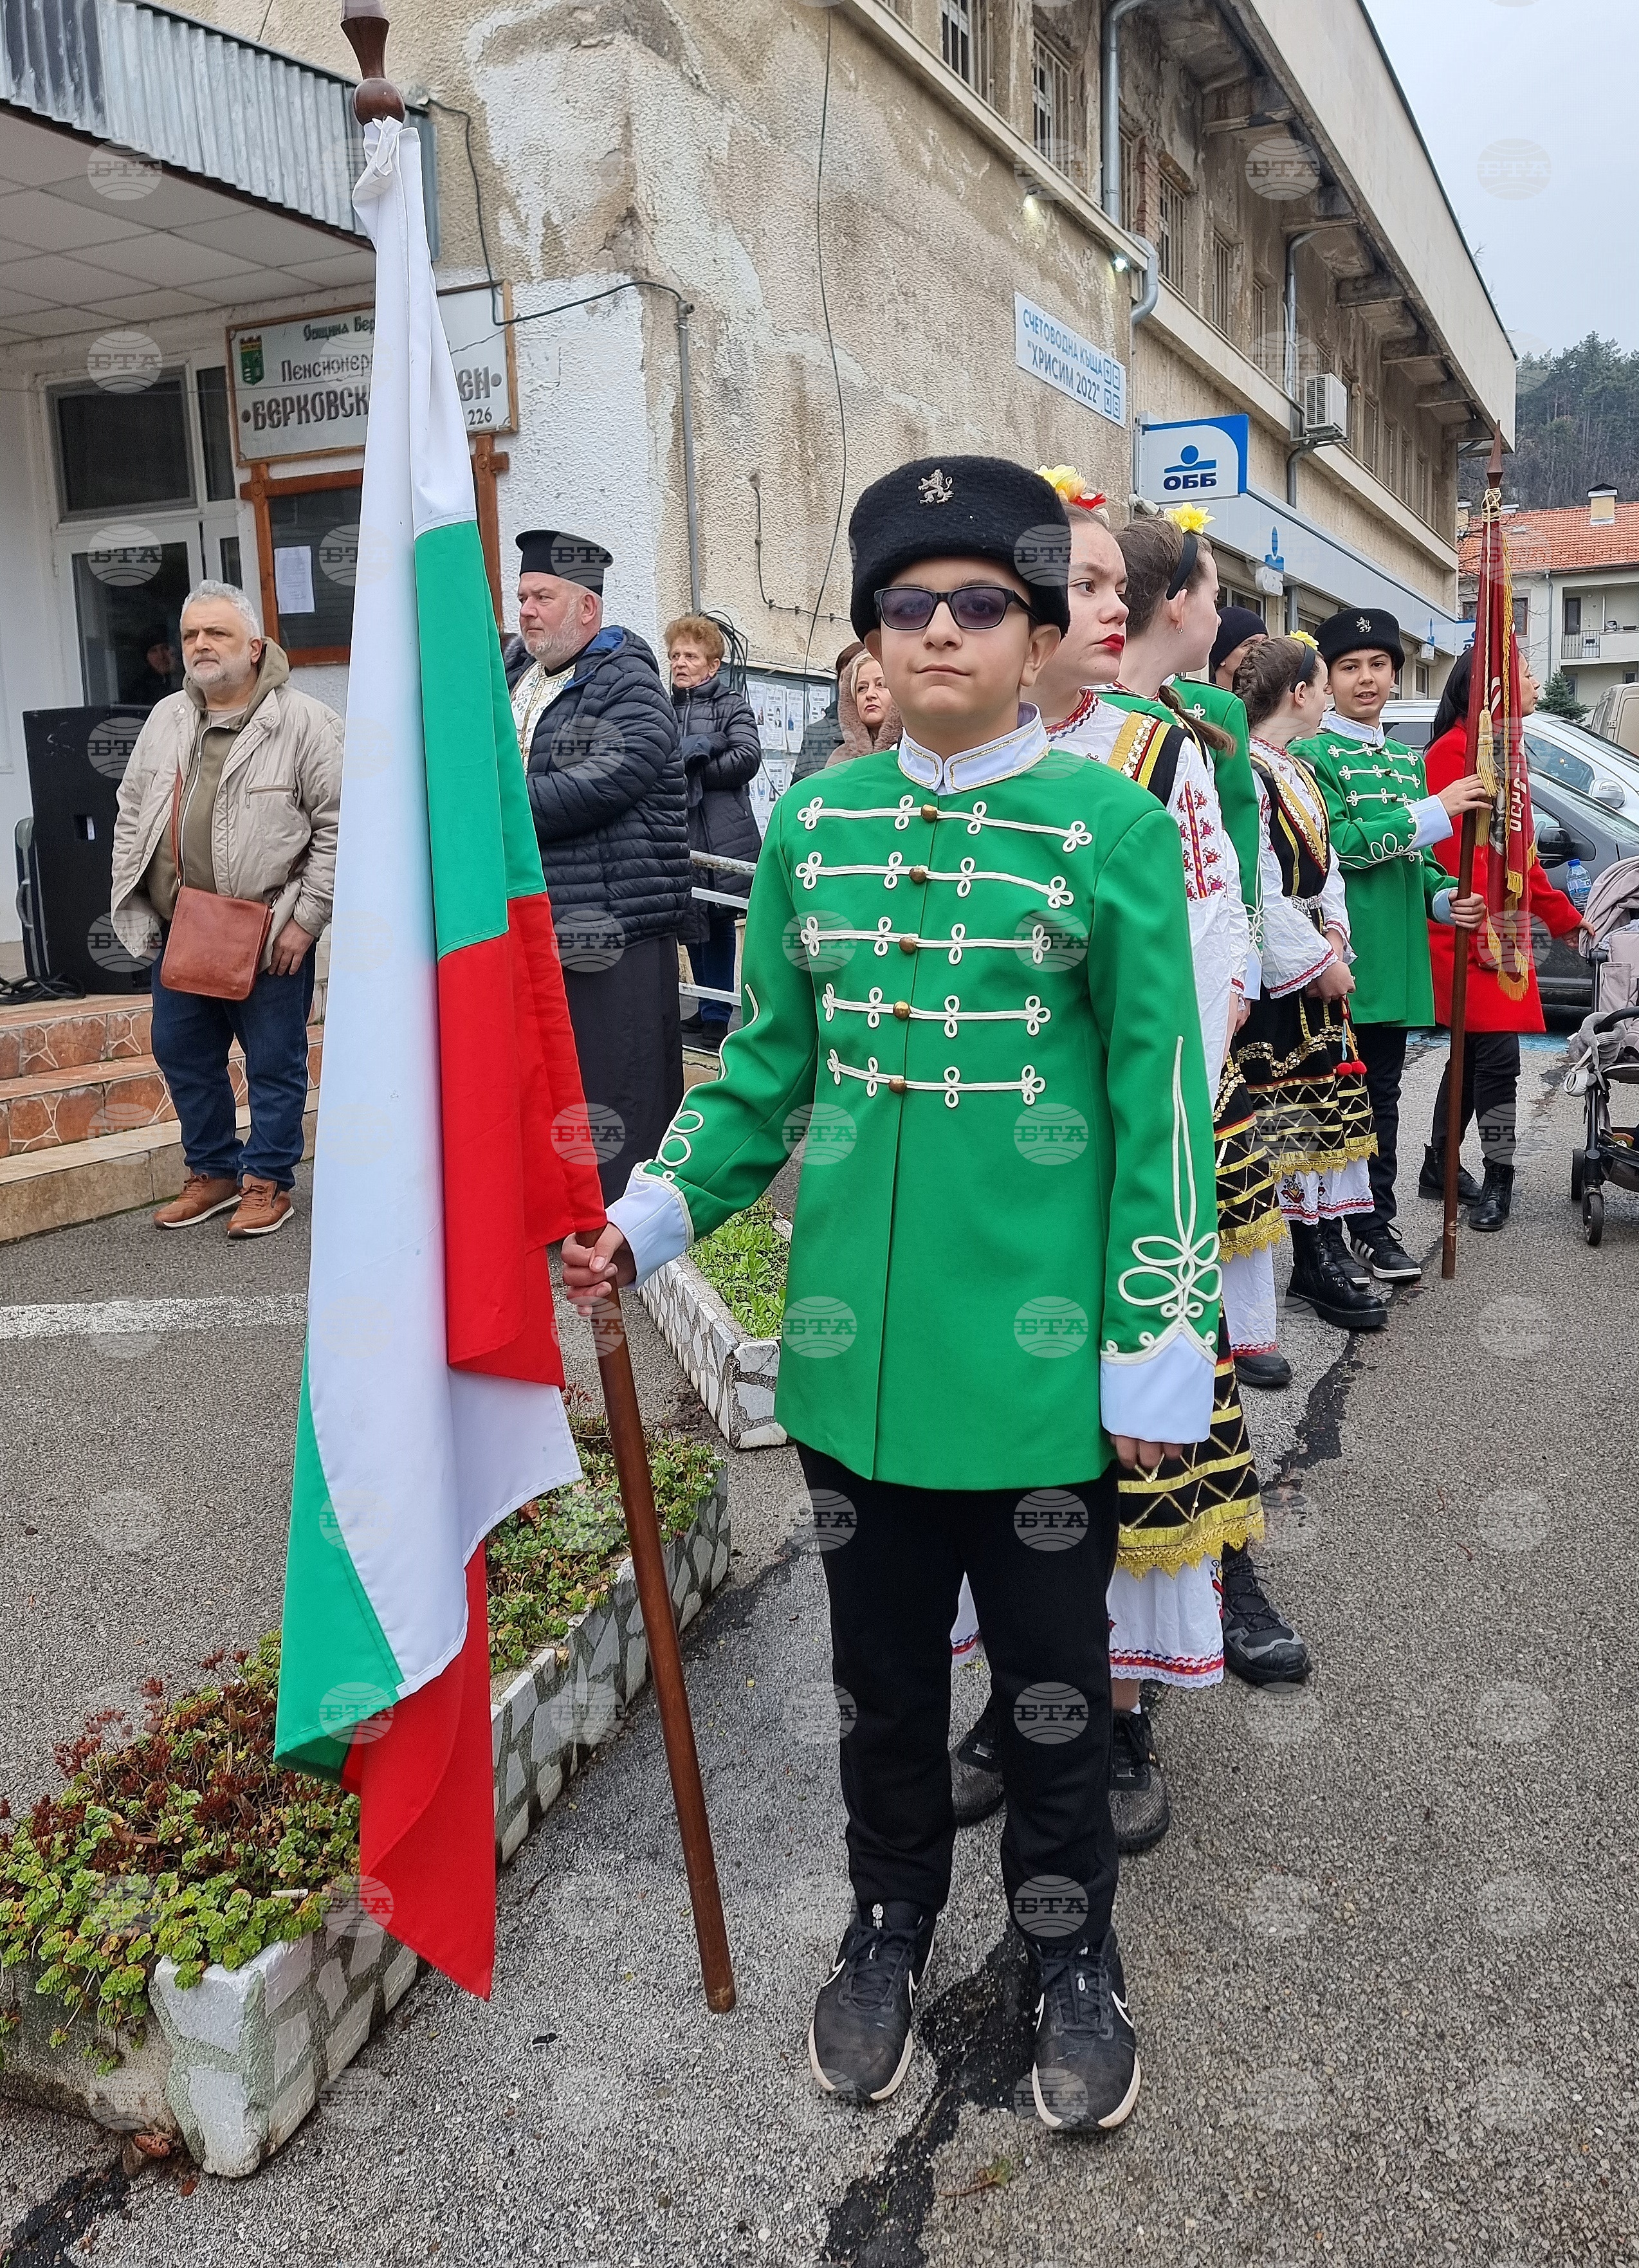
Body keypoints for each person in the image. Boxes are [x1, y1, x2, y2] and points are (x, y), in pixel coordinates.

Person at [564, 456, 1222, 2133]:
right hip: (854, 1374)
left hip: (1042, 1371)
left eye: (978, 601)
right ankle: (884, 1922)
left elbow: (1157, 1101)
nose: (940, 630)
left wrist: (1154, 1339)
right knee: (877, 1689)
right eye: (906, 604)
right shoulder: (822, 826)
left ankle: (1073, 1956)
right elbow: (762, 1069)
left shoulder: (1116, 824)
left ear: (1035, 631)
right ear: (870, 635)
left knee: (1056, 1694)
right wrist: (647, 1211)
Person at [946, 475, 1282, 1853]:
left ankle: (1123, 1705)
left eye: (1105, 586)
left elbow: (1208, 956)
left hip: (1120, 1168)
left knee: (1134, 1447)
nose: (1097, 607)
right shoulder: (950, 751)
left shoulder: (1162, 753)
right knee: (999, 1446)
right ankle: (1010, 1695)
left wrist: (1148, 1149)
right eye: (1068, 585)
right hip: (993, 1184)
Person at [109, 581, 340, 1238]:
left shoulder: (307, 723)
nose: (202, 646)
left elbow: (339, 826)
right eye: (191, 636)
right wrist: (136, 901)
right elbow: (132, 811)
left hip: (270, 930)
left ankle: (268, 1180)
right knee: (181, 1050)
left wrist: (307, 919)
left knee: (273, 1062)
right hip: (181, 931)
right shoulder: (166, 718)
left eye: (218, 634)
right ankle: (212, 1171)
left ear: (256, 646)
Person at [1294, 610, 1490, 1283]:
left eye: (1377, 665)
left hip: (1396, 963)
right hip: (1339, 961)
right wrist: (1435, 811)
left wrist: (1446, 899)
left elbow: (1422, 865)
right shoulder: (1311, 757)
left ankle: (1372, 1224)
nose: (1365, 679)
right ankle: (1324, 1237)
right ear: (1326, 681)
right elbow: (1340, 844)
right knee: (1324, 1101)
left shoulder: (1404, 762)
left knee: (1381, 1101)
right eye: (1348, 667)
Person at [505, 529, 690, 1201]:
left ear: (587, 608)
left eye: (542, 597)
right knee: (553, 1076)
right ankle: (560, 1204)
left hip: (614, 923)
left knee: (617, 1079)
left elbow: (606, 780)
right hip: (536, 915)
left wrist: (495, 811)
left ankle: (623, 1220)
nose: (525, 609)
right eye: (522, 595)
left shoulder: (629, 681)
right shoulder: (517, 675)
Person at [1232, 636, 1385, 1331]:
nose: (1328, 696)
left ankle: (1320, 1248)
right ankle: (1311, 1256)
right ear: (1296, 694)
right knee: (1289, 1122)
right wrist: (1315, 963)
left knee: (1320, 1120)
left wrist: (1334, 935)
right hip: (1279, 980)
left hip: (1310, 965)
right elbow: (1257, 885)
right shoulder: (1248, 774)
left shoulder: (1293, 768)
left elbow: (1327, 875)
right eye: (1323, 684)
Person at [1420, 648, 1589, 1230]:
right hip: (1470, 935)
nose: (1536, 682)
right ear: (1492, 688)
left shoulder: (1505, 754)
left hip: (1505, 936)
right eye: (1523, 670)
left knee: (1472, 1061)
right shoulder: (1454, 754)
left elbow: (1523, 860)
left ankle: (1440, 1164)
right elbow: (1450, 863)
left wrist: (1565, 917)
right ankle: (1498, 1176)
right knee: (1496, 1063)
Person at [666, 614, 764, 1053]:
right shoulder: (662, 709)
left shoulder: (732, 706)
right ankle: (706, 1005)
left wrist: (696, 768)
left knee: (720, 921)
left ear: (712, 665)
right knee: (692, 921)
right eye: (674, 655)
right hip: (681, 834)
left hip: (722, 833)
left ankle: (719, 1015)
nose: (680, 663)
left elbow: (747, 757)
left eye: (690, 656)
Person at [791, 641, 861, 782]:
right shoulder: (817, 733)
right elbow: (799, 788)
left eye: (854, 677)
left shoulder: (899, 732)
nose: (848, 685)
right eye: (843, 678)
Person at [828, 647, 902, 766]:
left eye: (880, 684)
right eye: (862, 688)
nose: (869, 694)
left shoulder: (917, 754)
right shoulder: (839, 759)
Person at [1209, 605, 1269, 693]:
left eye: (1265, 642)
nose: (1261, 649)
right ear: (1223, 657)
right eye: (1251, 643)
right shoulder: (1204, 702)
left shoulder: (1272, 701)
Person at [127, 628, 180, 706]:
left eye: (165, 648)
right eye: (154, 651)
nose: (161, 656)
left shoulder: (189, 680)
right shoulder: (139, 689)